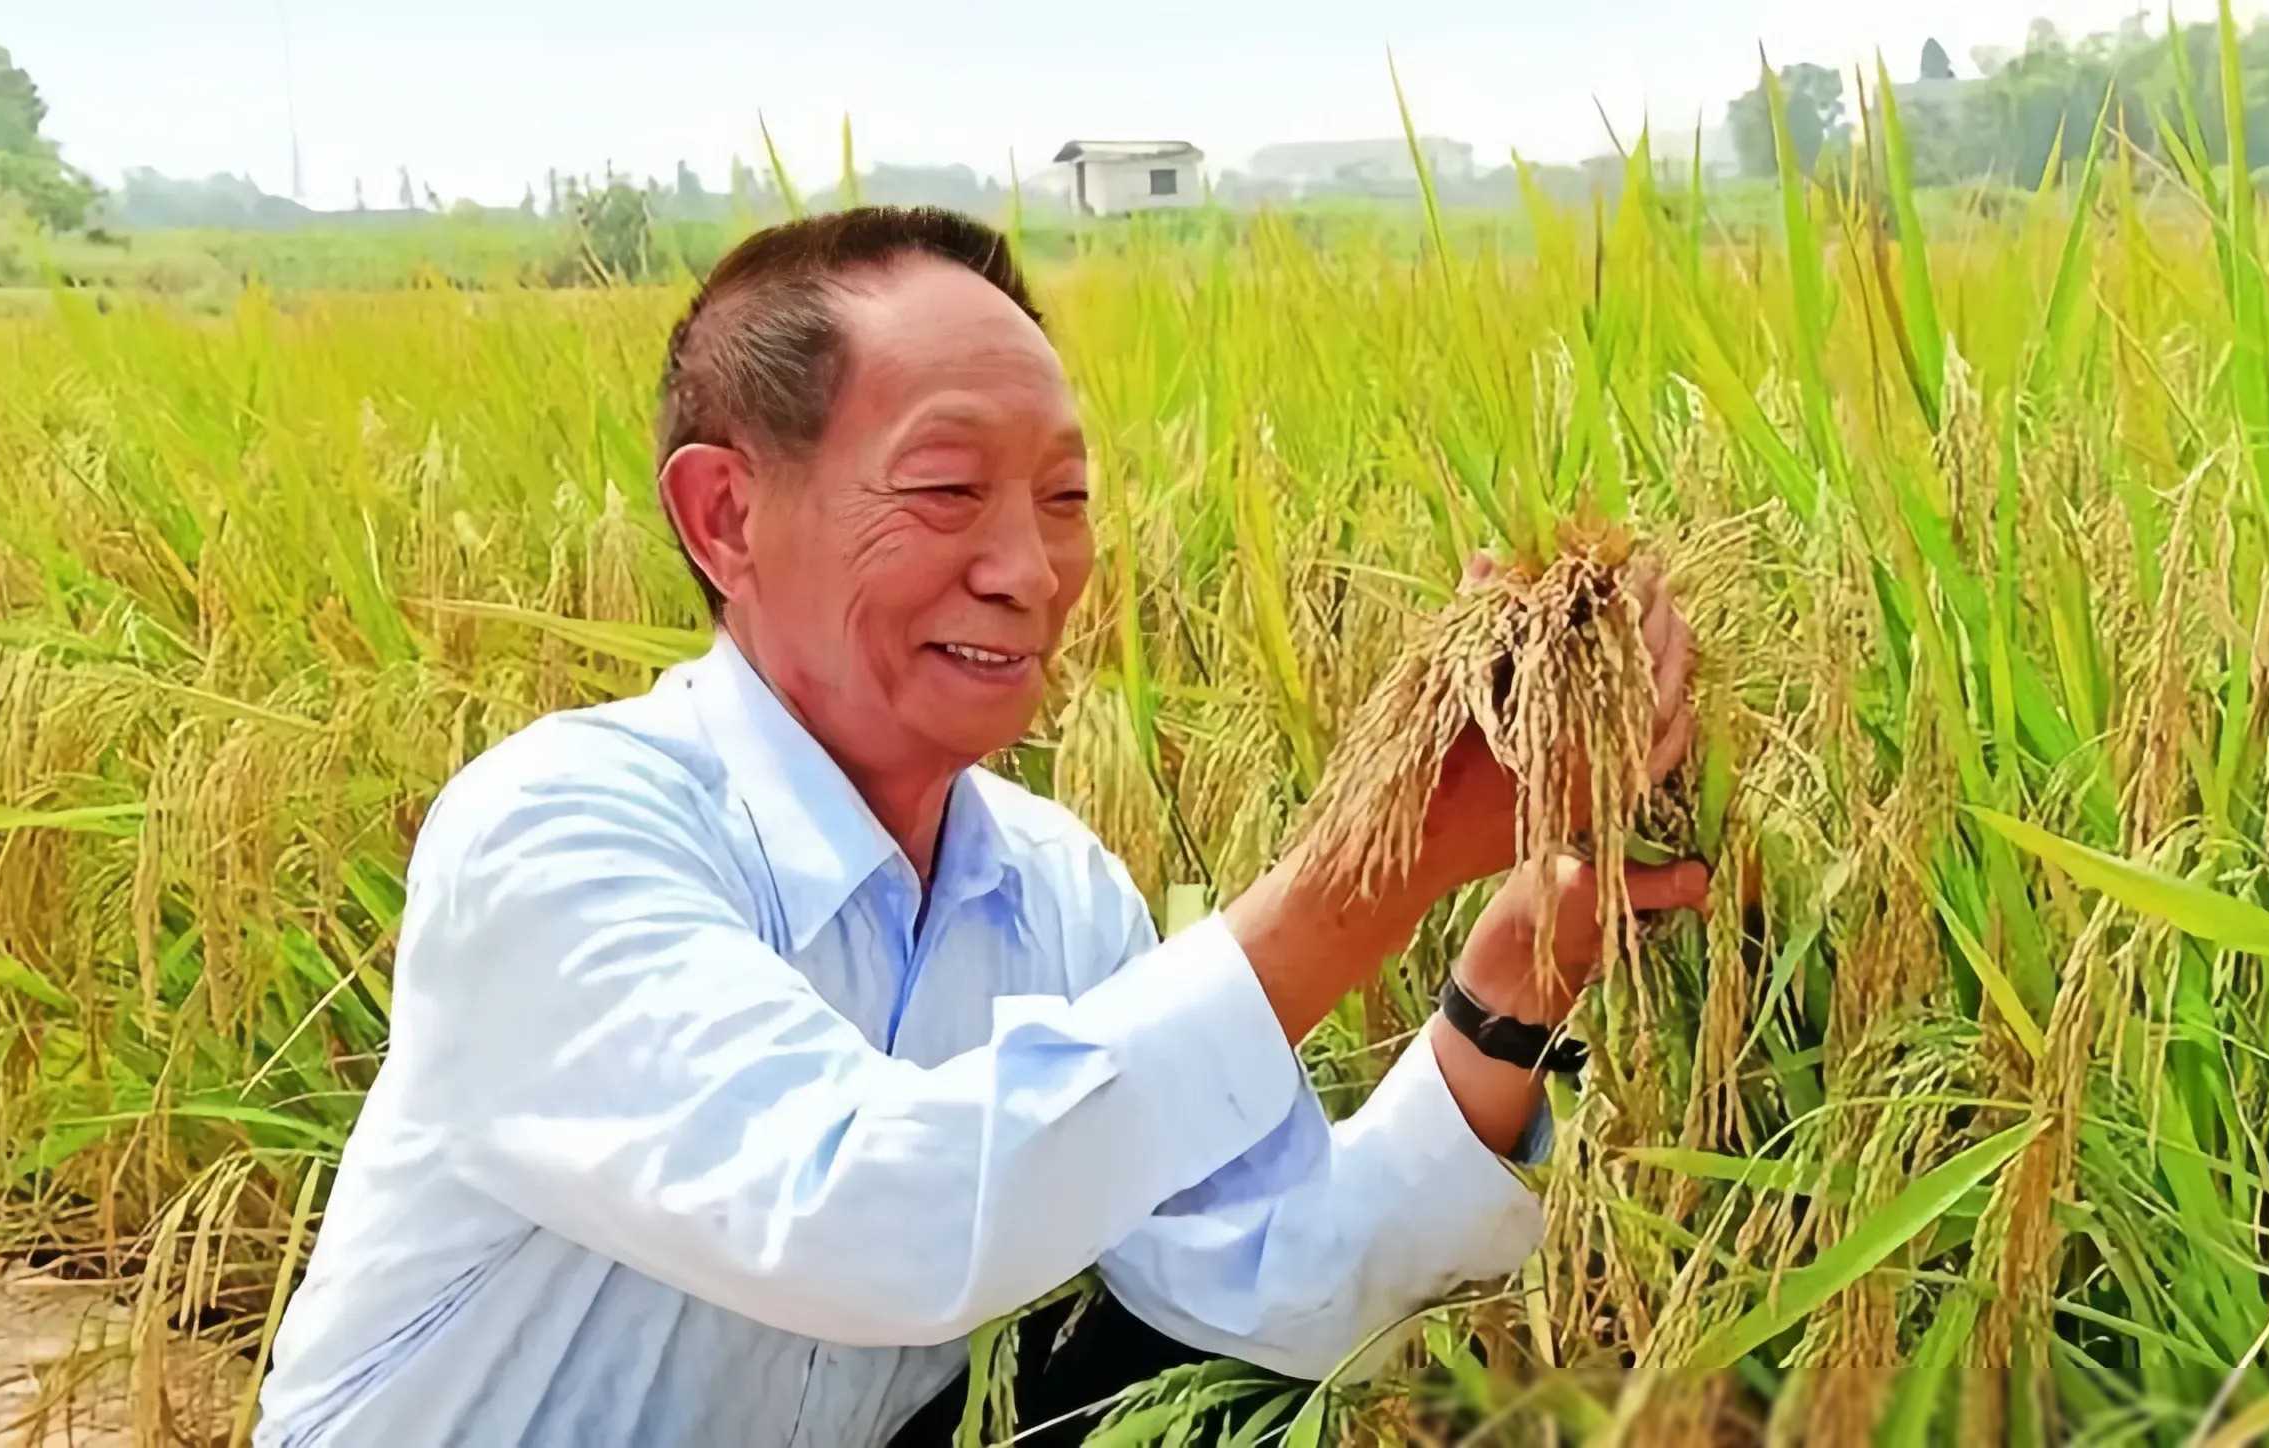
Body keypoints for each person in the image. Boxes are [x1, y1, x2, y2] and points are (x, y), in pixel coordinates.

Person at [253, 206, 1704, 1447]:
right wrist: (1373, 864)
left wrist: (1517, 975)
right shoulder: (559, 835)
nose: (1028, 568)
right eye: (947, 491)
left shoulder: (1055, 891)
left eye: (1064, 499)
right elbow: (863, 1214)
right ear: (725, 519)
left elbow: (1269, 1284)